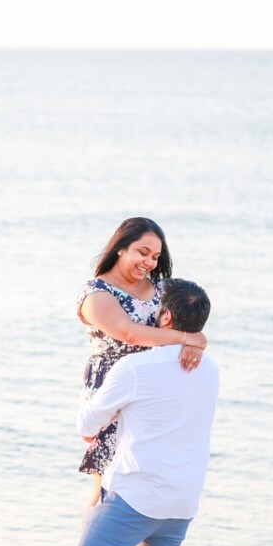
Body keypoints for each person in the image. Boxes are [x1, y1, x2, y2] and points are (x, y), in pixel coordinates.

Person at [68, 275, 219, 546]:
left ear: (166, 317)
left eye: (156, 306)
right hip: (182, 501)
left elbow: (86, 425)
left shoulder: (133, 368)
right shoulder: (210, 368)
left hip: (133, 496)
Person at [76, 216, 206, 505]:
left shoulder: (164, 289)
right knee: (108, 483)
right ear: (121, 248)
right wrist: (186, 338)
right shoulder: (96, 294)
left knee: (152, 476)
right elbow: (129, 333)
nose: (149, 262)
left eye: (155, 257)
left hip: (157, 388)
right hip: (112, 386)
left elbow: (189, 319)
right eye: (142, 252)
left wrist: (196, 340)